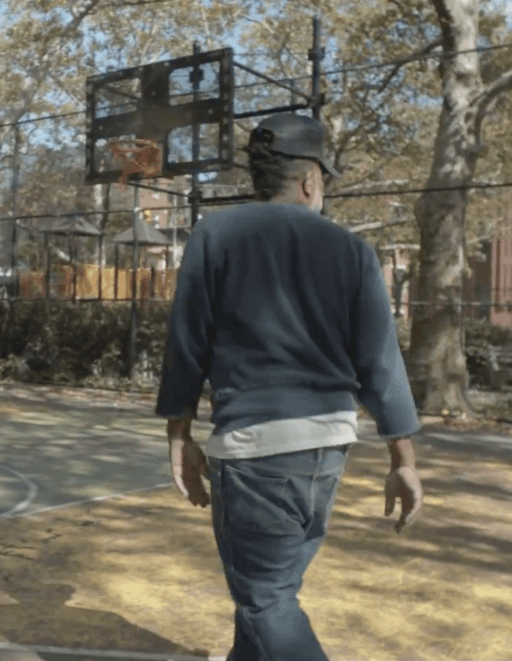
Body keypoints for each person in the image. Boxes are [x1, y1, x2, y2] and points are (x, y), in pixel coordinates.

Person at [156, 113, 425, 661]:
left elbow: (187, 342)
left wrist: (178, 437)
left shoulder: (216, 235)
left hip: (255, 449)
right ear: (310, 180)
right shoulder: (353, 252)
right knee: (268, 591)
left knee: (266, 598)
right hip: (327, 445)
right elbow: (381, 361)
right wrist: (404, 459)